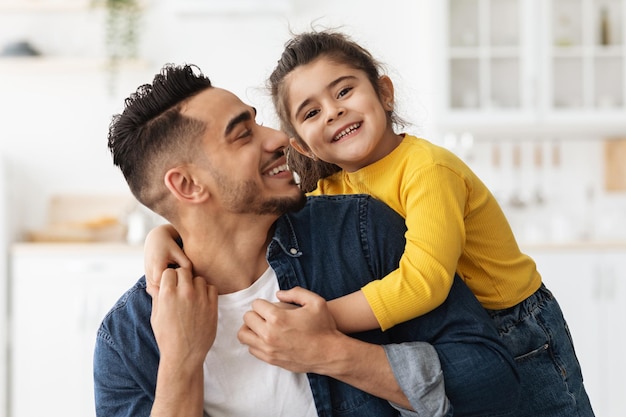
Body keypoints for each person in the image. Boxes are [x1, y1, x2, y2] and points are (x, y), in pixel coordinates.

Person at [94, 63, 521, 417]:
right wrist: (180, 365)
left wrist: (332, 353)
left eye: (258, 121)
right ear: (187, 186)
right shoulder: (127, 339)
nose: (279, 138)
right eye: (243, 134)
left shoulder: (361, 230)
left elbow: (495, 385)